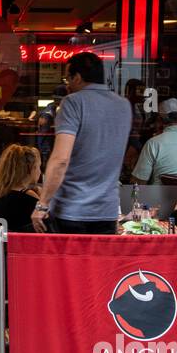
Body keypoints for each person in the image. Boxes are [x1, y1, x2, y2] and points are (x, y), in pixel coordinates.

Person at [32, 52, 132, 234]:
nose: (66, 85)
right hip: (107, 211)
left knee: (70, 263)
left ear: (77, 77)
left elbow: (61, 160)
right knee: (99, 264)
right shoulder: (124, 105)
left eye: (67, 78)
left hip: (72, 211)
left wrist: (42, 204)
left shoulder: (72, 103)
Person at [0, 145, 42, 233]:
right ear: (30, 168)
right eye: (39, 166)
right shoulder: (29, 197)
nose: (40, 171)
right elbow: (50, 231)